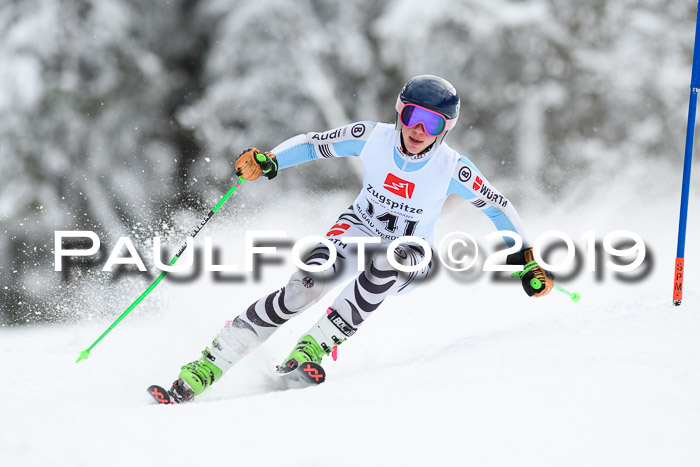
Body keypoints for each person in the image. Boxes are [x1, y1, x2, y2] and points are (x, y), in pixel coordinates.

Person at [165, 75, 554, 402]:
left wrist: (526, 259)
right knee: (302, 289)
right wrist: (271, 161)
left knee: (392, 257)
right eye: (413, 117)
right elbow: (314, 143)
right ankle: (208, 363)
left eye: (433, 124)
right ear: (400, 112)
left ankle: (312, 347)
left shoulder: (452, 167)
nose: (419, 130)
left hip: (411, 255)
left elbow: (498, 206)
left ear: (446, 129)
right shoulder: (372, 137)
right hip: (359, 228)